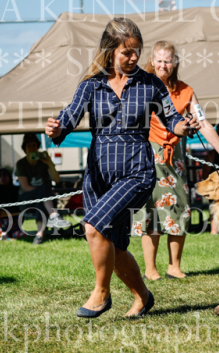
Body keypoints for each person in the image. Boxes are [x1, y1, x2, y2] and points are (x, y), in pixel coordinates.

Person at [46, 18, 198, 317]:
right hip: (98, 175)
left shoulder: (150, 83)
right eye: (127, 52)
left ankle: (101, 294)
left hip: (137, 171)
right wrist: (56, 128)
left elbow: (172, 118)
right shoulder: (91, 85)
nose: (134, 57)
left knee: (93, 227)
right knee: (113, 245)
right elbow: (69, 116)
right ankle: (143, 297)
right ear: (110, 50)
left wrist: (184, 127)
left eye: (137, 51)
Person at [132, 40, 219, 280]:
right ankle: (150, 269)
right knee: (151, 209)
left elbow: (203, 122)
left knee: (179, 206)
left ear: (175, 62)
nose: (163, 65)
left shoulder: (186, 91)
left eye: (168, 61)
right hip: (147, 153)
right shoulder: (141, 84)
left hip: (174, 156)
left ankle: (174, 267)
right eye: (159, 60)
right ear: (152, 61)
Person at [15, 133, 70, 245]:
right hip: (26, 199)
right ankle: (53, 215)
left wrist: (49, 162)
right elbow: (26, 187)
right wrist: (44, 191)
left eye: (34, 145)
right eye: (29, 145)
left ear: (38, 146)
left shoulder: (44, 162)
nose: (32, 148)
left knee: (42, 199)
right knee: (44, 191)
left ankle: (39, 236)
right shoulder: (21, 164)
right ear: (25, 148)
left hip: (44, 199)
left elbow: (56, 179)